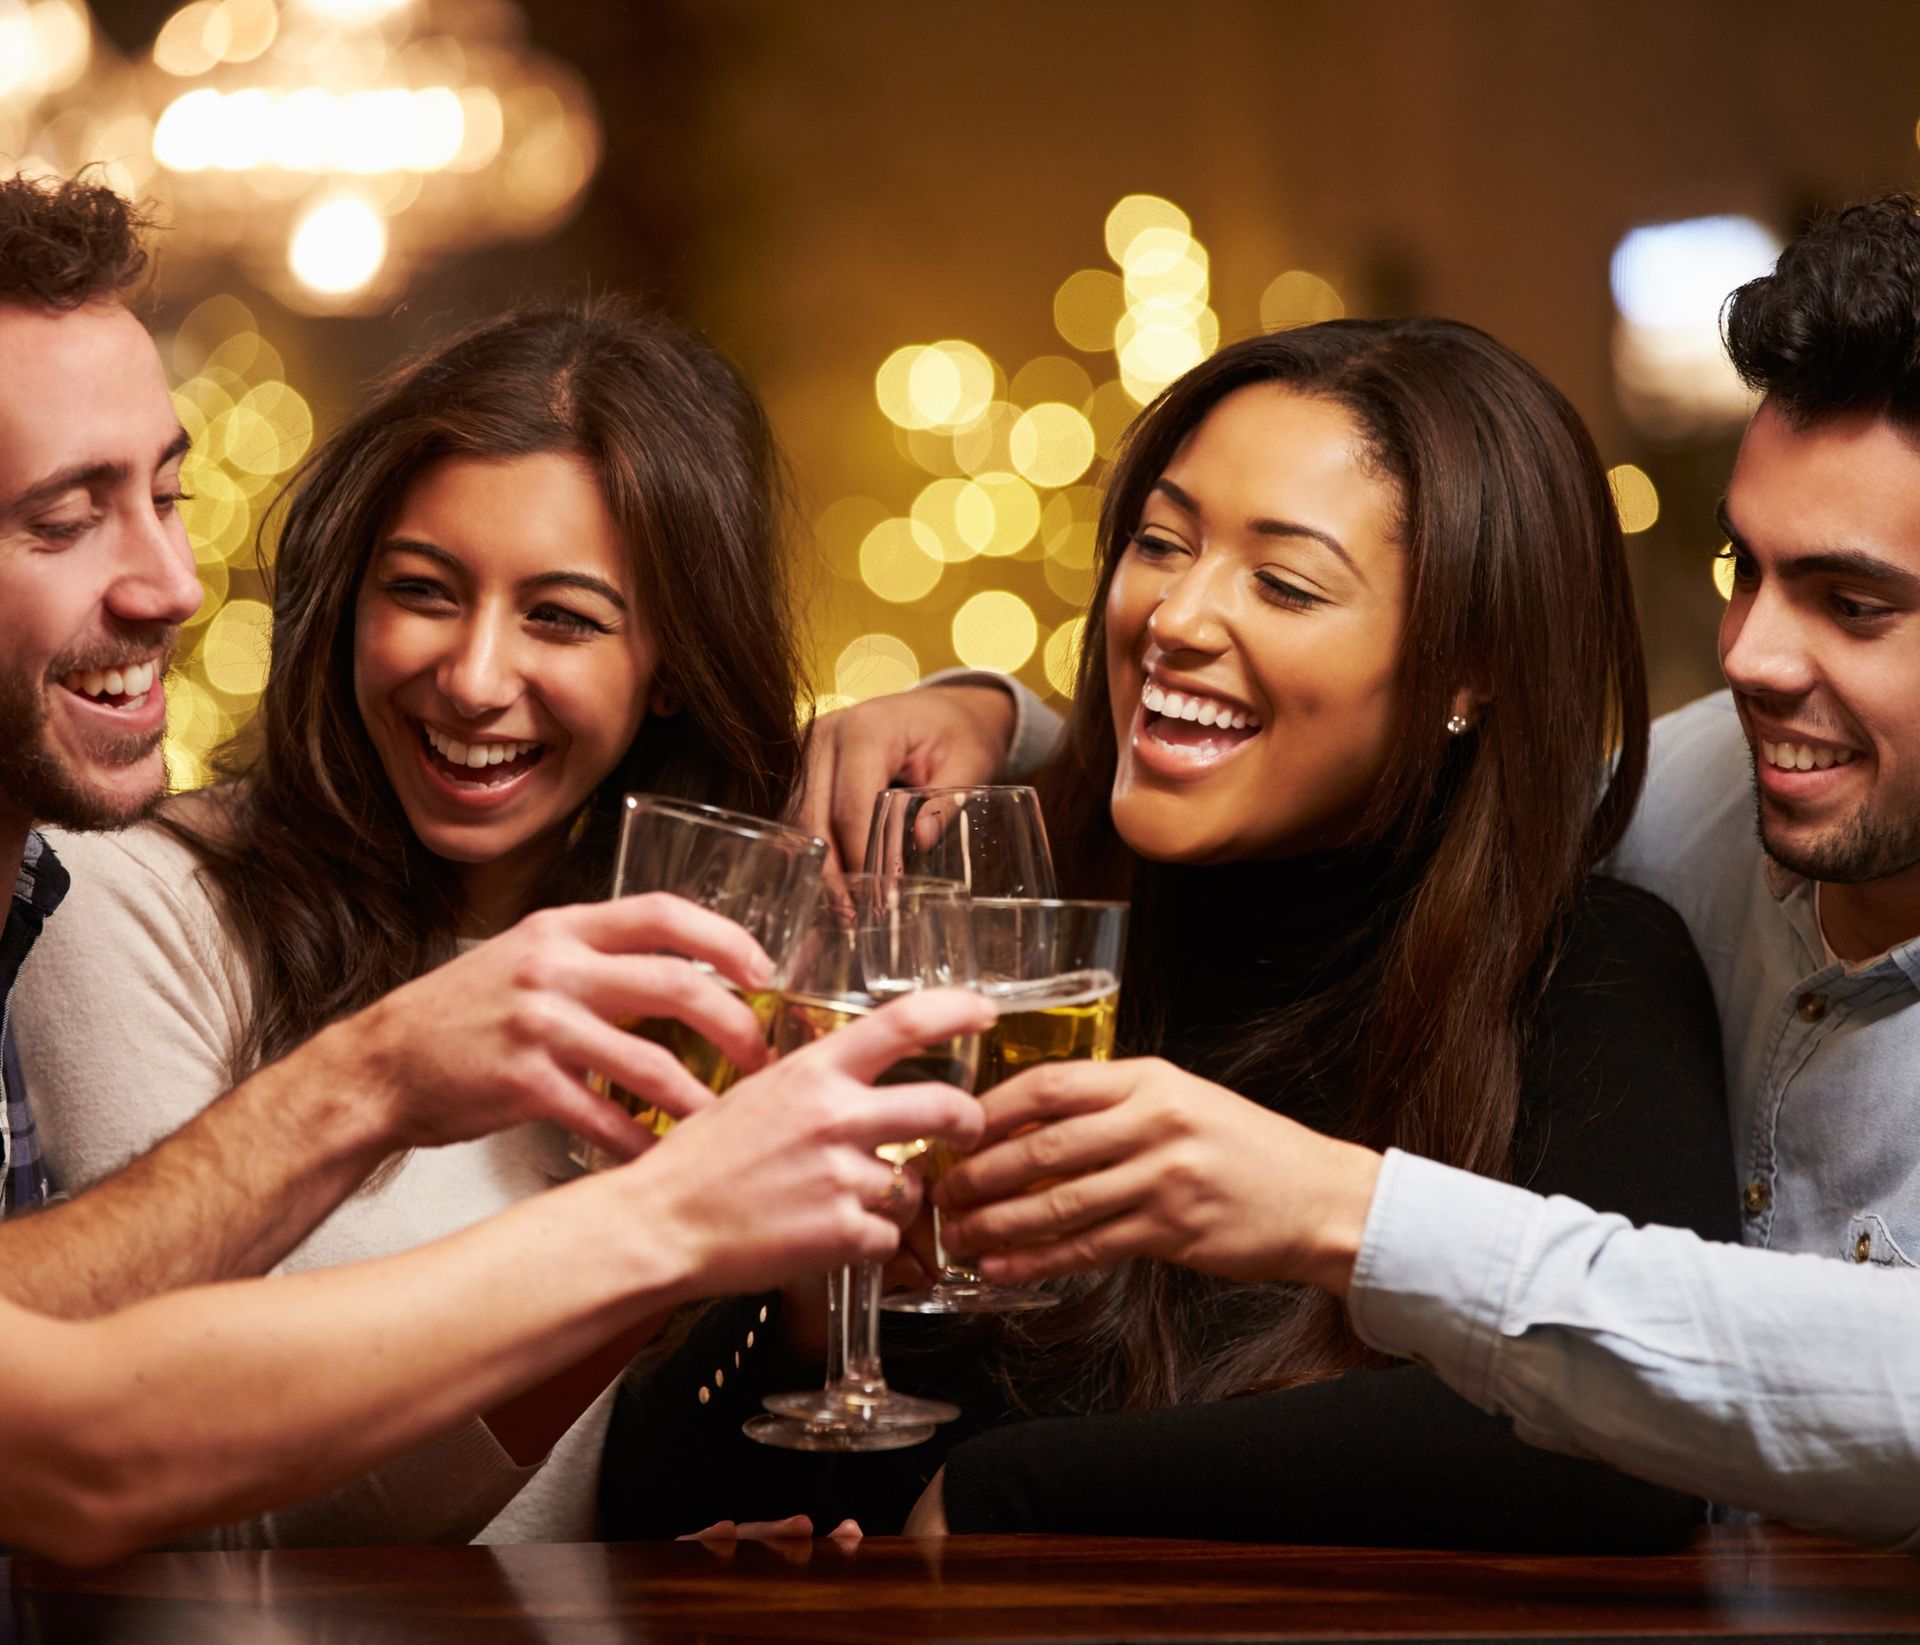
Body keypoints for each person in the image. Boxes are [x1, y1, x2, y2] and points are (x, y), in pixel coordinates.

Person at [825, 194, 1920, 1552]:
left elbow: (1798, 1420)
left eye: (1856, 603)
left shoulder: (1588, 969)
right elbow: (1442, 791)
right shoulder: (1728, 784)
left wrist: (1330, 1210)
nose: (1751, 656)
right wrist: (991, 729)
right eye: (1739, 569)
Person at [605, 318, 1737, 1550]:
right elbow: (658, 1498)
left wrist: (1020, 1496)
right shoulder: (995, 940)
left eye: (1285, 582)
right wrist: (819, 1300)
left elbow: (1639, 1442)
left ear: (1473, 665)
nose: (1174, 616)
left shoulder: (1586, 975)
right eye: (1160, 542)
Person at [0, 168, 988, 1562]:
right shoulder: (121, 889)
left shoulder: (718, 920)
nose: (473, 680)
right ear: (346, 603)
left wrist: (980, 705)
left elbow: (1096, 761)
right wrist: (649, 1236)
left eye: (565, 619)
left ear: (668, 673)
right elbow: (189, 1519)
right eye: (420, 591)